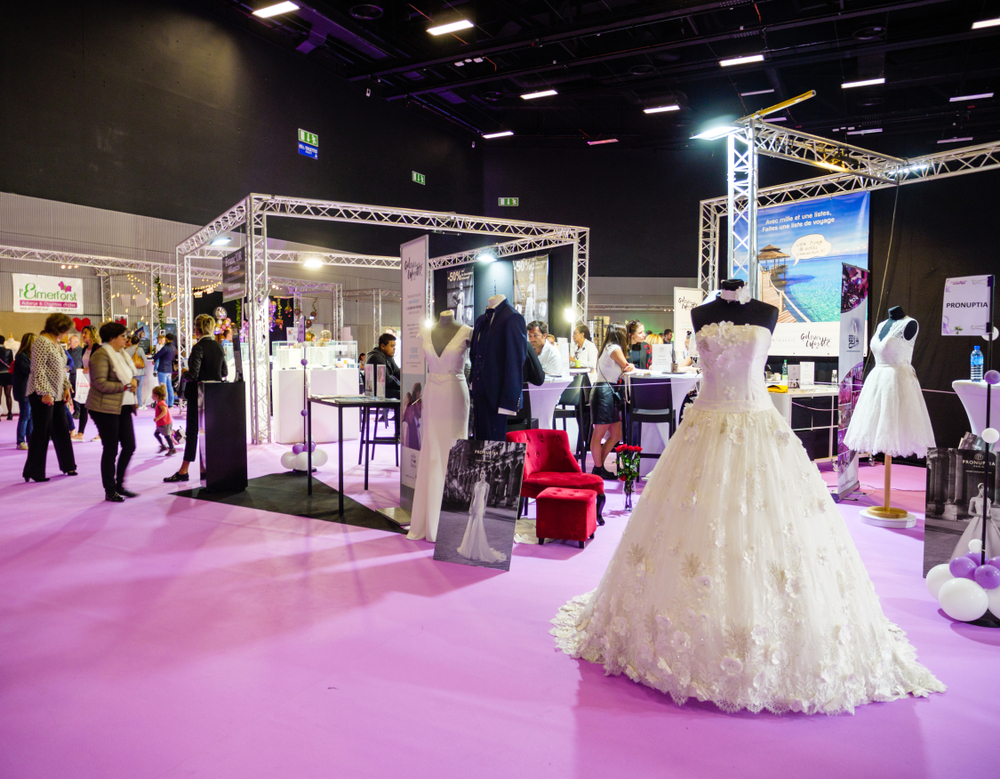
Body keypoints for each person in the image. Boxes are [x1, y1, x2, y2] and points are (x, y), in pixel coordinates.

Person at [551, 281, 944, 714]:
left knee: (766, 532)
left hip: (758, 426)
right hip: (704, 427)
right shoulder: (702, 314)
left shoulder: (766, 311)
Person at [164, 314, 228, 483]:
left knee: (192, 432)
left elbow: (193, 375)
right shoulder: (219, 346)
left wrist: (184, 372)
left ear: (197, 329)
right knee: (206, 432)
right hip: (213, 395)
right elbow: (224, 373)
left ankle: (184, 470)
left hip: (197, 395)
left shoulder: (198, 347)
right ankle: (204, 468)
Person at [87, 321, 138, 502]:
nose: (126, 339)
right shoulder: (101, 355)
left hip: (123, 406)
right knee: (111, 449)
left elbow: (130, 378)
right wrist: (124, 386)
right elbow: (100, 383)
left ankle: (119, 485)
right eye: (123, 336)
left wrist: (130, 385)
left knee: (130, 445)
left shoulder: (121, 354)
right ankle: (110, 489)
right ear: (112, 338)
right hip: (104, 408)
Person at [22, 313, 77, 483]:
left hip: (58, 393)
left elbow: (61, 369)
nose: (67, 332)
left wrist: (67, 387)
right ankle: (34, 471)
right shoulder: (41, 341)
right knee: (42, 432)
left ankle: (68, 465)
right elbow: (37, 369)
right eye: (65, 328)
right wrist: (45, 392)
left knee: (62, 428)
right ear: (58, 326)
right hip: (41, 393)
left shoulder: (57, 344)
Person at [589, 323, 633, 479]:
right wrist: (631, 366)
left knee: (616, 434)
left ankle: (598, 466)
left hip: (606, 392)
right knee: (598, 434)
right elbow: (626, 366)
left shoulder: (608, 348)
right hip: (604, 393)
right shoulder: (614, 348)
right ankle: (598, 468)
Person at [72, 326, 101, 442]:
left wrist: (90, 367)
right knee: (84, 406)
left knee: (97, 409)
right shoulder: (84, 349)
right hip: (85, 381)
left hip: (96, 381)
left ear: (92, 333)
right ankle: (80, 433)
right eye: (82, 333)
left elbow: (100, 363)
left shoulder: (98, 347)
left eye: (85, 333)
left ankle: (101, 433)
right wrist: (81, 368)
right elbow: (85, 364)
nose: (83, 335)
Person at [13, 333, 35, 449]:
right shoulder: (21, 356)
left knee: (30, 415)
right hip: (23, 389)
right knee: (25, 415)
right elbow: (28, 371)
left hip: (30, 389)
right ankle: (20, 441)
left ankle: (30, 439)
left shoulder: (30, 355)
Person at [365, 333, 400, 399]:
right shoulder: (376, 357)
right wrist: (401, 387)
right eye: (392, 346)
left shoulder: (388, 356)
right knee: (402, 394)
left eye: (394, 346)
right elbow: (387, 380)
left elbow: (397, 371)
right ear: (383, 346)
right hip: (377, 392)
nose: (394, 349)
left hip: (384, 389)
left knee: (403, 393)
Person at [152, 332, 177, 407]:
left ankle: (164, 404)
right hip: (169, 369)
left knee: (163, 387)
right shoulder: (173, 347)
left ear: (166, 339)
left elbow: (158, 354)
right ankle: (170, 404)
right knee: (170, 387)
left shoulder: (166, 347)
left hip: (163, 369)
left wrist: (154, 359)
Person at [151, 384, 176, 455]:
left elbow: (164, 411)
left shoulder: (161, 403)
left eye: (152, 395)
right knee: (156, 434)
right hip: (161, 424)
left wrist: (157, 417)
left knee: (167, 436)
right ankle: (163, 446)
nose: (152, 396)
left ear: (156, 395)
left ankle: (172, 448)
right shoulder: (160, 402)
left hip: (165, 423)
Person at [125, 334, 147, 408]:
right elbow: (145, 360)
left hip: (130, 372)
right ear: (138, 342)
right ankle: (140, 404)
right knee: (139, 388)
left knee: (131, 388)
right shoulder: (140, 349)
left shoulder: (126, 350)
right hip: (140, 372)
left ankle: (130, 404)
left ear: (131, 342)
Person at [0, 335, 13, 419]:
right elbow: (11, 363)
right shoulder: (9, 351)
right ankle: (10, 414)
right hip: (8, 374)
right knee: (8, 395)